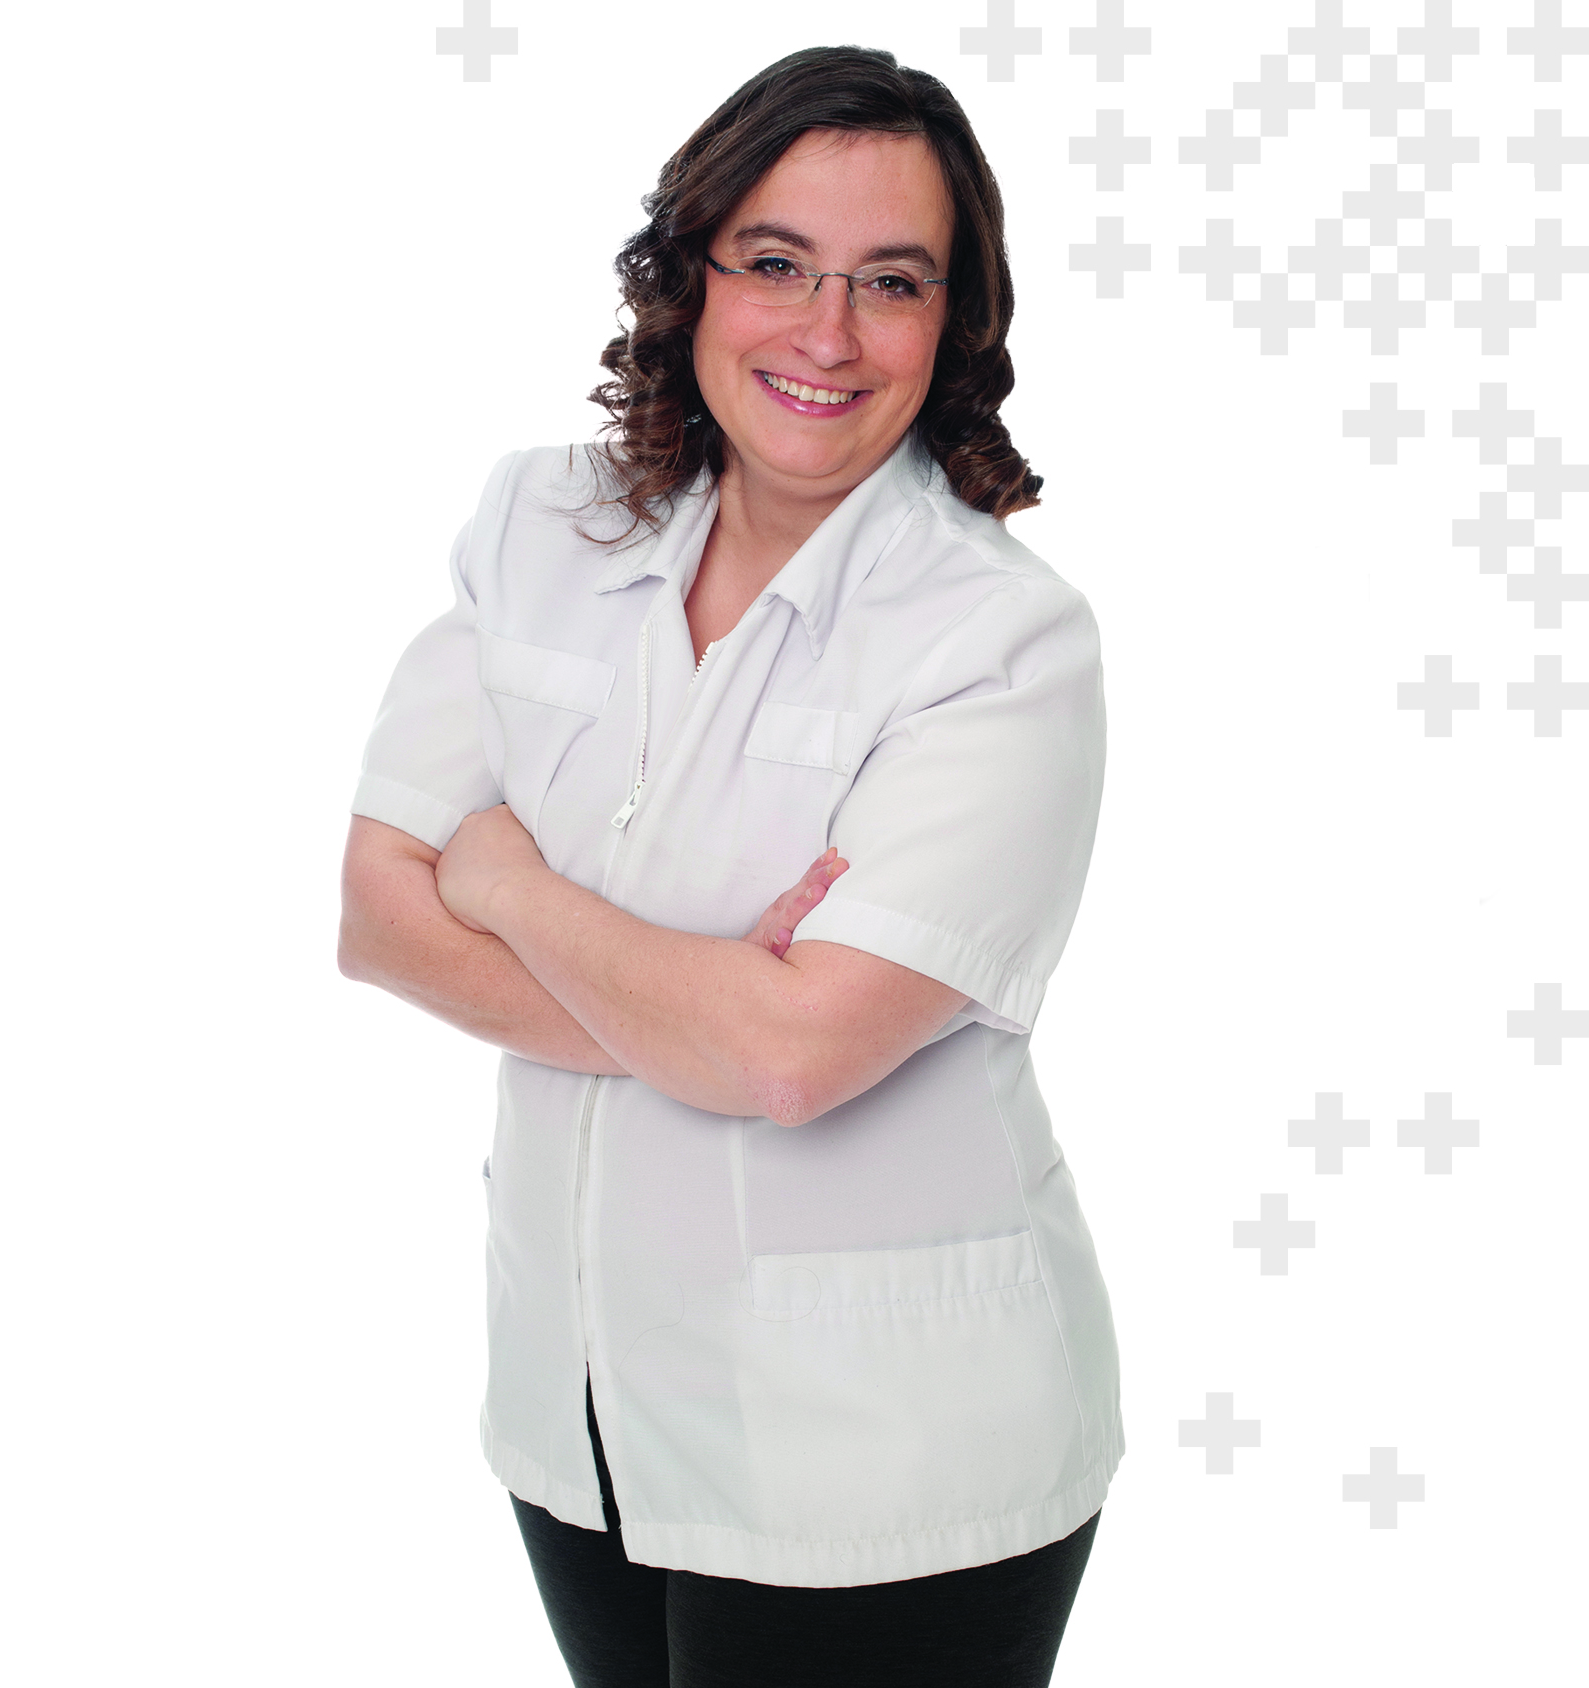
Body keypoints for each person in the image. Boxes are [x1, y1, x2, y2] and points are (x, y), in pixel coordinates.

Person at [339, 43, 1121, 1688]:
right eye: (775, 262)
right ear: (688, 275)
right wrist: (709, 1003)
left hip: (885, 1456)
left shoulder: (999, 642)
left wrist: (507, 883)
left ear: (952, 323)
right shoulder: (538, 527)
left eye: (889, 282)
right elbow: (377, 916)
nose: (824, 333)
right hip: (582, 1413)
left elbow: (791, 1057)